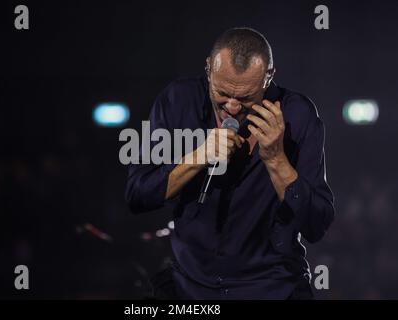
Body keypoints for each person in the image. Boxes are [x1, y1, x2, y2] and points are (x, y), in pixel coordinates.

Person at [125, 27, 335, 299]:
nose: (233, 107)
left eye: (246, 97)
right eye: (223, 93)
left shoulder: (299, 116)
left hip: (271, 287)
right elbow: (138, 194)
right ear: (208, 68)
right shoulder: (178, 101)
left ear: (269, 77)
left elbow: (316, 224)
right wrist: (198, 157)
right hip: (190, 286)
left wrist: (276, 159)